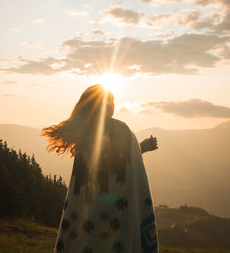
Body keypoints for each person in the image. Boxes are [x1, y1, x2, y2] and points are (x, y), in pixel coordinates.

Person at [42, 84, 158, 253]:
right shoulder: (121, 129)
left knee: (84, 241)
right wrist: (141, 148)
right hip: (117, 208)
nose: (111, 104)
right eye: (108, 100)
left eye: (112, 100)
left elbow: (110, 162)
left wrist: (140, 148)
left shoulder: (85, 131)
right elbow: (115, 163)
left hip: (88, 207)